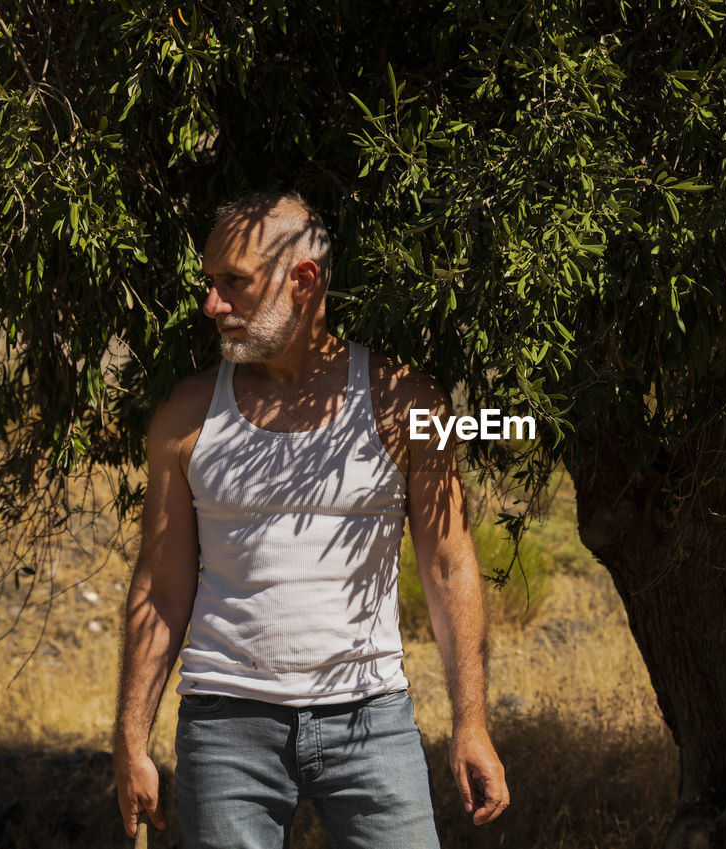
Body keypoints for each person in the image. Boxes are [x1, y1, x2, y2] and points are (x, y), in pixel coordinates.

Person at [112, 191, 509, 848]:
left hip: (371, 719)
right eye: (209, 284)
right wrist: (131, 739)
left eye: (231, 282)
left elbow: (448, 563)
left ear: (303, 281)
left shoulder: (403, 401)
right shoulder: (185, 416)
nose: (212, 304)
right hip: (226, 726)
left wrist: (471, 721)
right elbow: (160, 583)